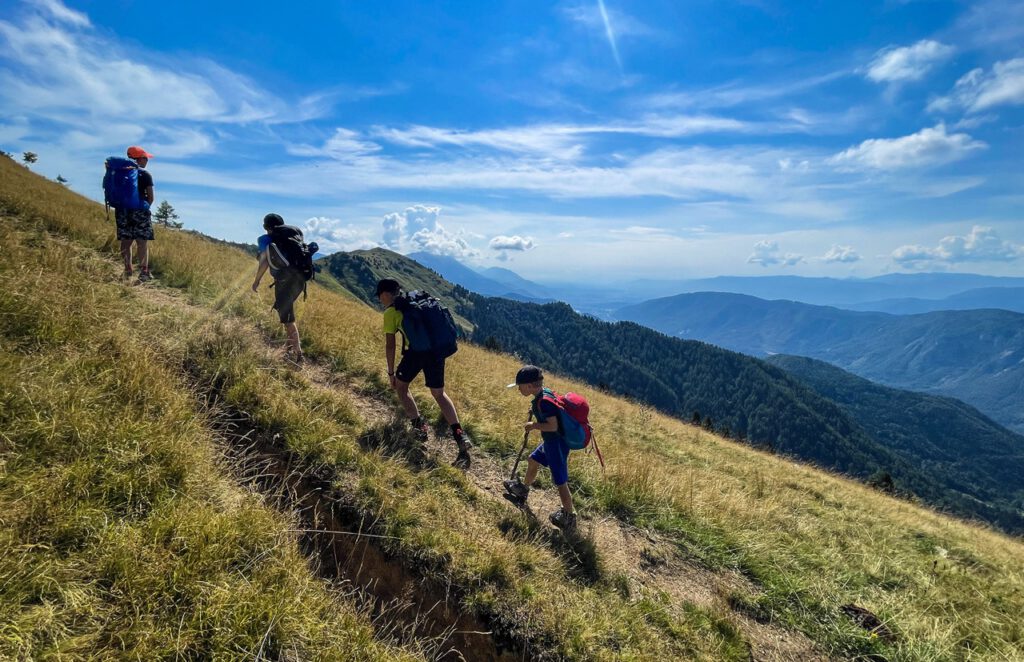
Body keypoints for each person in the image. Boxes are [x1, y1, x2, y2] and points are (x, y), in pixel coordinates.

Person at [376, 278, 471, 468]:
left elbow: (390, 345)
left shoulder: (392, 312)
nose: (380, 301)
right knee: (439, 393)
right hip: (437, 352)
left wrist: (390, 373)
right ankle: (460, 434)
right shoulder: (418, 302)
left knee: (401, 388)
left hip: (417, 353)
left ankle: (419, 428)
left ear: (386, 294)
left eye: (380, 297)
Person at [504, 365, 578, 533]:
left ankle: (569, 516)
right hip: (551, 442)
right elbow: (549, 412)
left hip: (556, 444)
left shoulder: (543, 401)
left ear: (529, 386)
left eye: (520, 386)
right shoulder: (543, 395)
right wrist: (535, 409)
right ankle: (523, 490)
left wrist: (534, 425)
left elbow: (552, 426)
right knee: (533, 460)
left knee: (560, 480)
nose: (519, 390)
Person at [252, 213, 306, 363]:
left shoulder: (266, 239)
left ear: (266, 227)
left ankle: (298, 355)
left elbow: (264, 262)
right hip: (301, 280)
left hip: (284, 281)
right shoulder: (292, 235)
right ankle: (289, 349)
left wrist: (256, 281)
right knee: (286, 313)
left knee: (288, 318)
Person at [117, 146, 155, 281]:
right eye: (145, 158)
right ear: (139, 159)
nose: (147, 161)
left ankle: (128, 270)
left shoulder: (119, 173)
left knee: (126, 242)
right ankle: (144, 272)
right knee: (142, 242)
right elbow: (151, 197)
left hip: (123, 211)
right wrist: (143, 209)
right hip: (140, 212)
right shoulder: (145, 175)